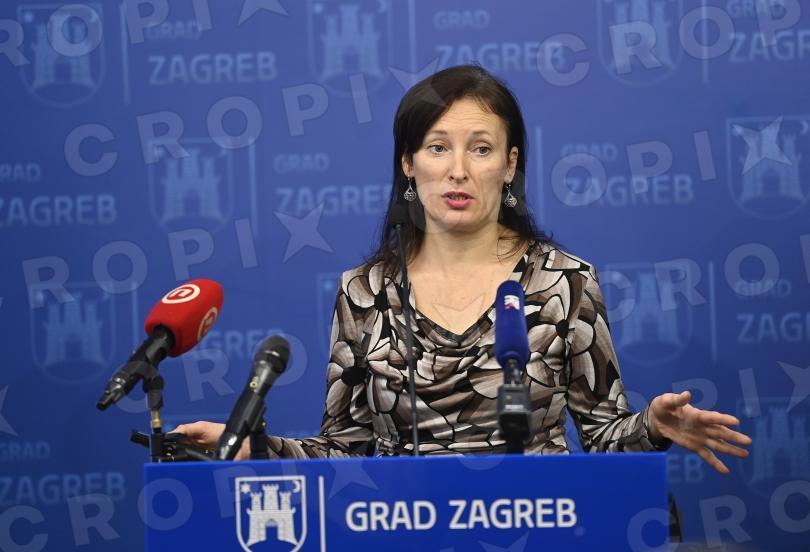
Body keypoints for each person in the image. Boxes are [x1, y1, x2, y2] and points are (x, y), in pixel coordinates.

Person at [175, 64, 751, 474]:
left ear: (509, 164)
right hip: (407, 529)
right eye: (437, 147)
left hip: (543, 527)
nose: (458, 170)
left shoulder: (563, 280)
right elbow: (345, 450)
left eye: (480, 148)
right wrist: (255, 448)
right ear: (408, 163)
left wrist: (652, 425)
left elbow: (602, 439)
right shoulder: (364, 291)